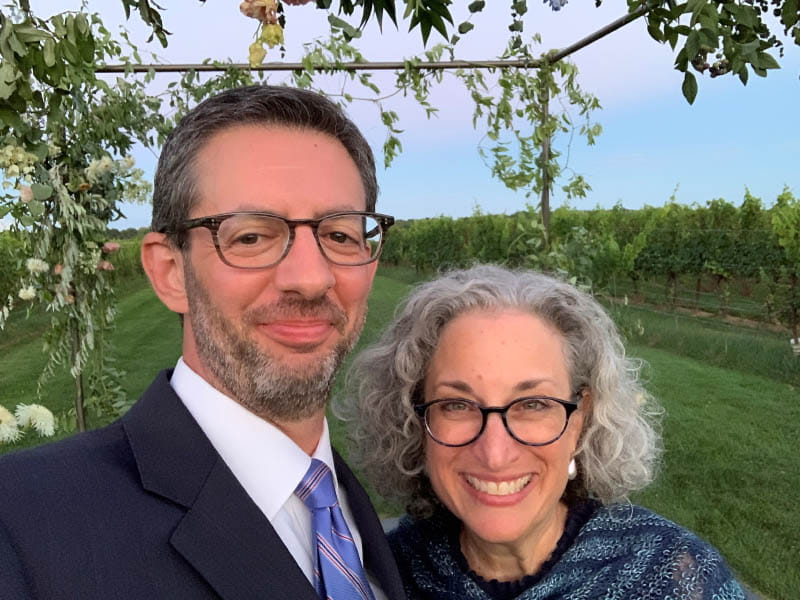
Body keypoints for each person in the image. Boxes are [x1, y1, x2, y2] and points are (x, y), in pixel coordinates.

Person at [0, 85, 406, 600]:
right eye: (251, 236)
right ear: (170, 271)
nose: (311, 277)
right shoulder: (20, 527)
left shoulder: (351, 508)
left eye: (341, 235)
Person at [340, 264, 751, 600]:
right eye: (457, 405)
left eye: (533, 404)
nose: (495, 453)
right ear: (415, 420)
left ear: (581, 418)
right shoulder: (383, 577)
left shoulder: (674, 575)